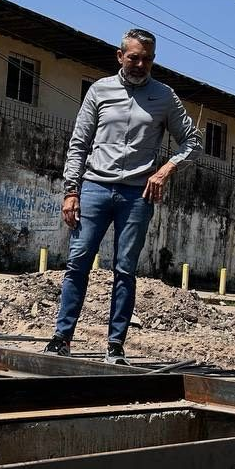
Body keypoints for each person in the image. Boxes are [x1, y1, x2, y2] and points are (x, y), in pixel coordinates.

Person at [45, 28, 201, 365]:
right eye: (134, 57)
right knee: (77, 263)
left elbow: (192, 141)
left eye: (147, 58)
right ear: (120, 56)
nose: (140, 64)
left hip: (136, 196)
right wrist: (71, 191)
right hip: (95, 189)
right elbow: (79, 144)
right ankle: (62, 337)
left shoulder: (165, 97)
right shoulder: (99, 91)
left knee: (125, 270)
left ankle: (115, 345)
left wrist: (165, 169)